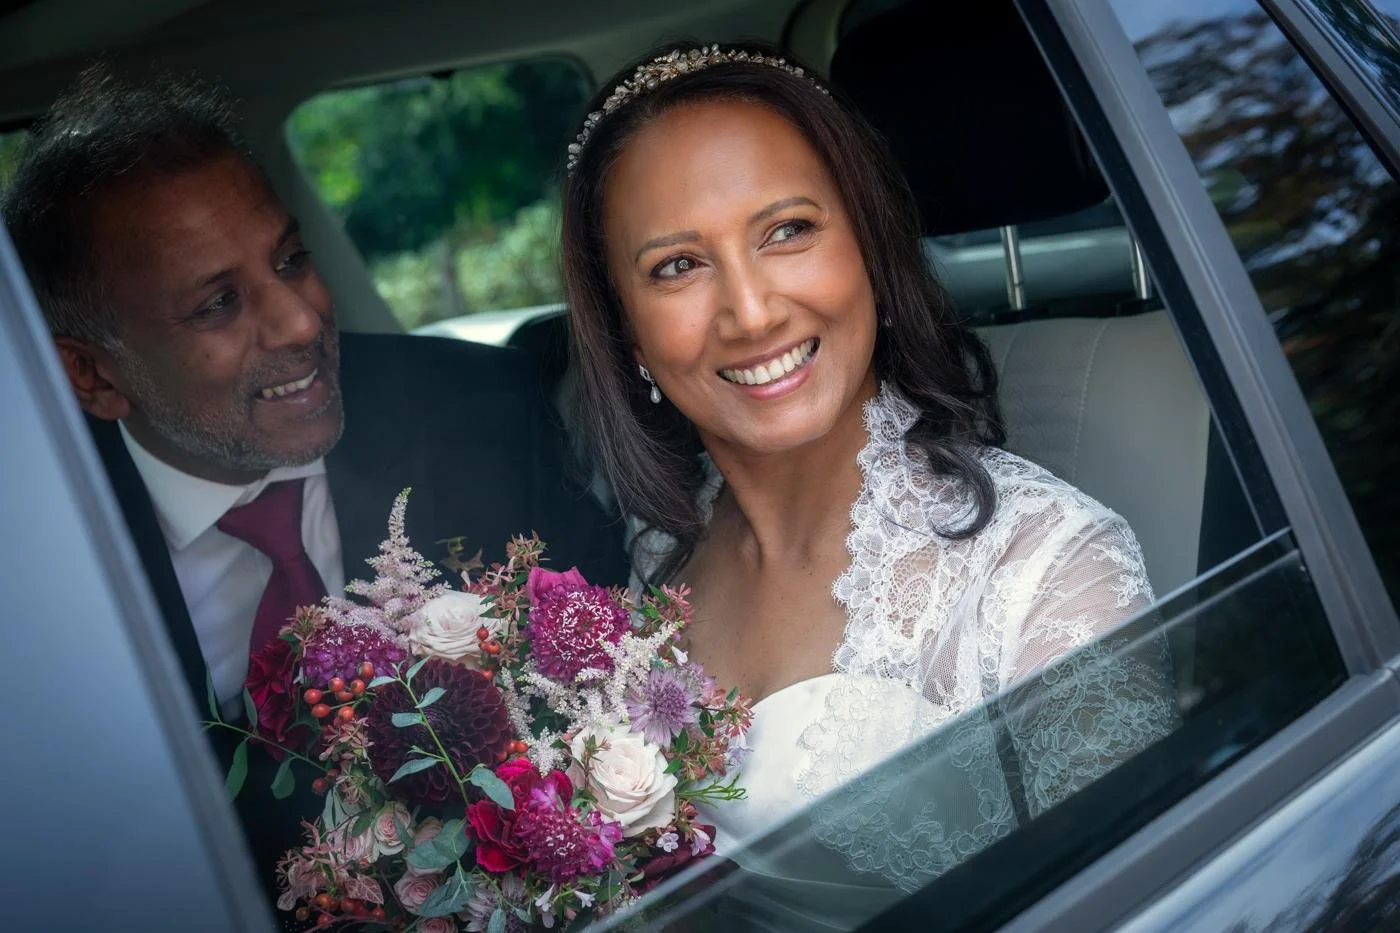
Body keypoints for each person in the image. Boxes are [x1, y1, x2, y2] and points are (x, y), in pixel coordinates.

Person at [561, 43, 1177, 928]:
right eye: (677, 266)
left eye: (787, 230)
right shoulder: (657, 553)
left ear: (870, 251)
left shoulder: (1050, 569)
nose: (752, 311)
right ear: (628, 336)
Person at [1, 64, 626, 910]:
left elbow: (610, 684)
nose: (300, 321)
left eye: (290, 259)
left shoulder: (482, 411)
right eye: (218, 304)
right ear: (93, 374)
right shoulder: (34, 573)